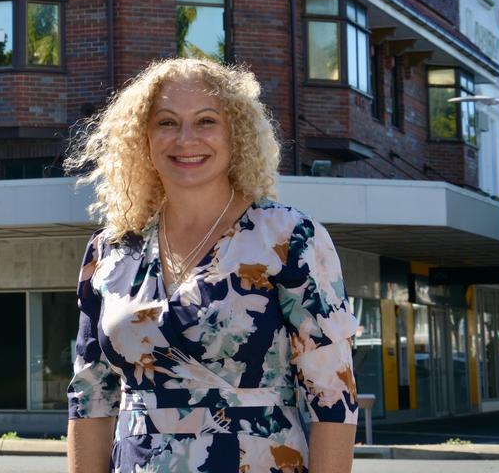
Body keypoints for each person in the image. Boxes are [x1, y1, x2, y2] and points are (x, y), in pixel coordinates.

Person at [64, 57, 358, 473]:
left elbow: (332, 396)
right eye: (167, 122)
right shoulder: (110, 251)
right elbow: (90, 396)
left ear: (235, 134)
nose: (186, 138)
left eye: (206, 121)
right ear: (141, 138)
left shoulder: (289, 238)